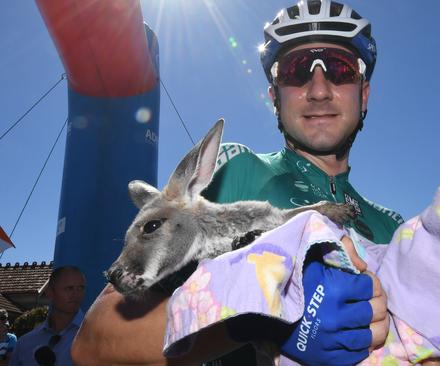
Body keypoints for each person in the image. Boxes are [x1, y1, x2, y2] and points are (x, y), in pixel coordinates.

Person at [72, 1, 415, 365]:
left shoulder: (393, 226)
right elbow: (95, 343)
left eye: (341, 69)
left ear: (363, 94)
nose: (319, 90)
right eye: (297, 71)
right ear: (274, 97)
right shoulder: (237, 172)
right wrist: (260, 317)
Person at [9, 266, 85, 366]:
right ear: (50, 292)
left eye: (81, 288)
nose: (76, 294)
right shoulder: (25, 343)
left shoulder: (98, 337)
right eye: (69, 288)